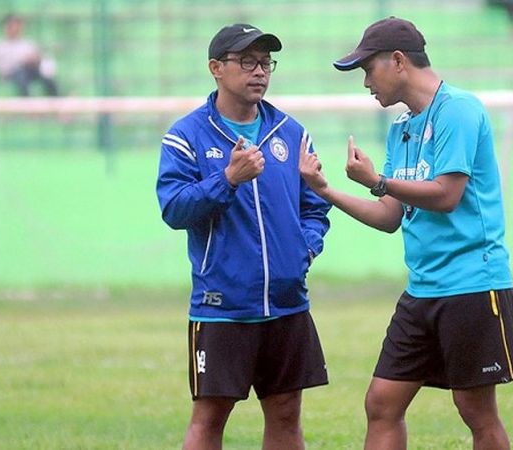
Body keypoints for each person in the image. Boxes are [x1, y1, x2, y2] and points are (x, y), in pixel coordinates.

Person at [301, 17, 513, 450]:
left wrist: (377, 180)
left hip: (473, 285)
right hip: (423, 290)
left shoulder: (459, 109)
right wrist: (328, 191)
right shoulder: (401, 129)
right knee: (382, 402)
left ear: (398, 61)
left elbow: (446, 194)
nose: (366, 83)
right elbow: (390, 216)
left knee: (475, 409)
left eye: (368, 69)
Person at [155, 23, 332, 449]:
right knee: (210, 416)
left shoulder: (291, 132)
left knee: (287, 411)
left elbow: (315, 206)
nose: (260, 72)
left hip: (288, 304)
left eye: (266, 62)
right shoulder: (186, 136)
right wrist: (228, 179)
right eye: (247, 61)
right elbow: (174, 208)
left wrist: (304, 249)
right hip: (222, 305)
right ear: (216, 68)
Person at [0, 14, 59, 96]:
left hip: (31, 72)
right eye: (11, 26)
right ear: (6, 27)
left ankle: (58, 101)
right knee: (21, 74)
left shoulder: (28, 44)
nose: (15, 29)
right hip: (11, 74)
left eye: (17, 26)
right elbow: (0, 68)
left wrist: (34, 60)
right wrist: (21, 62)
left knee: (47, 77)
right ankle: (28, 104)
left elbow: (40, 59)